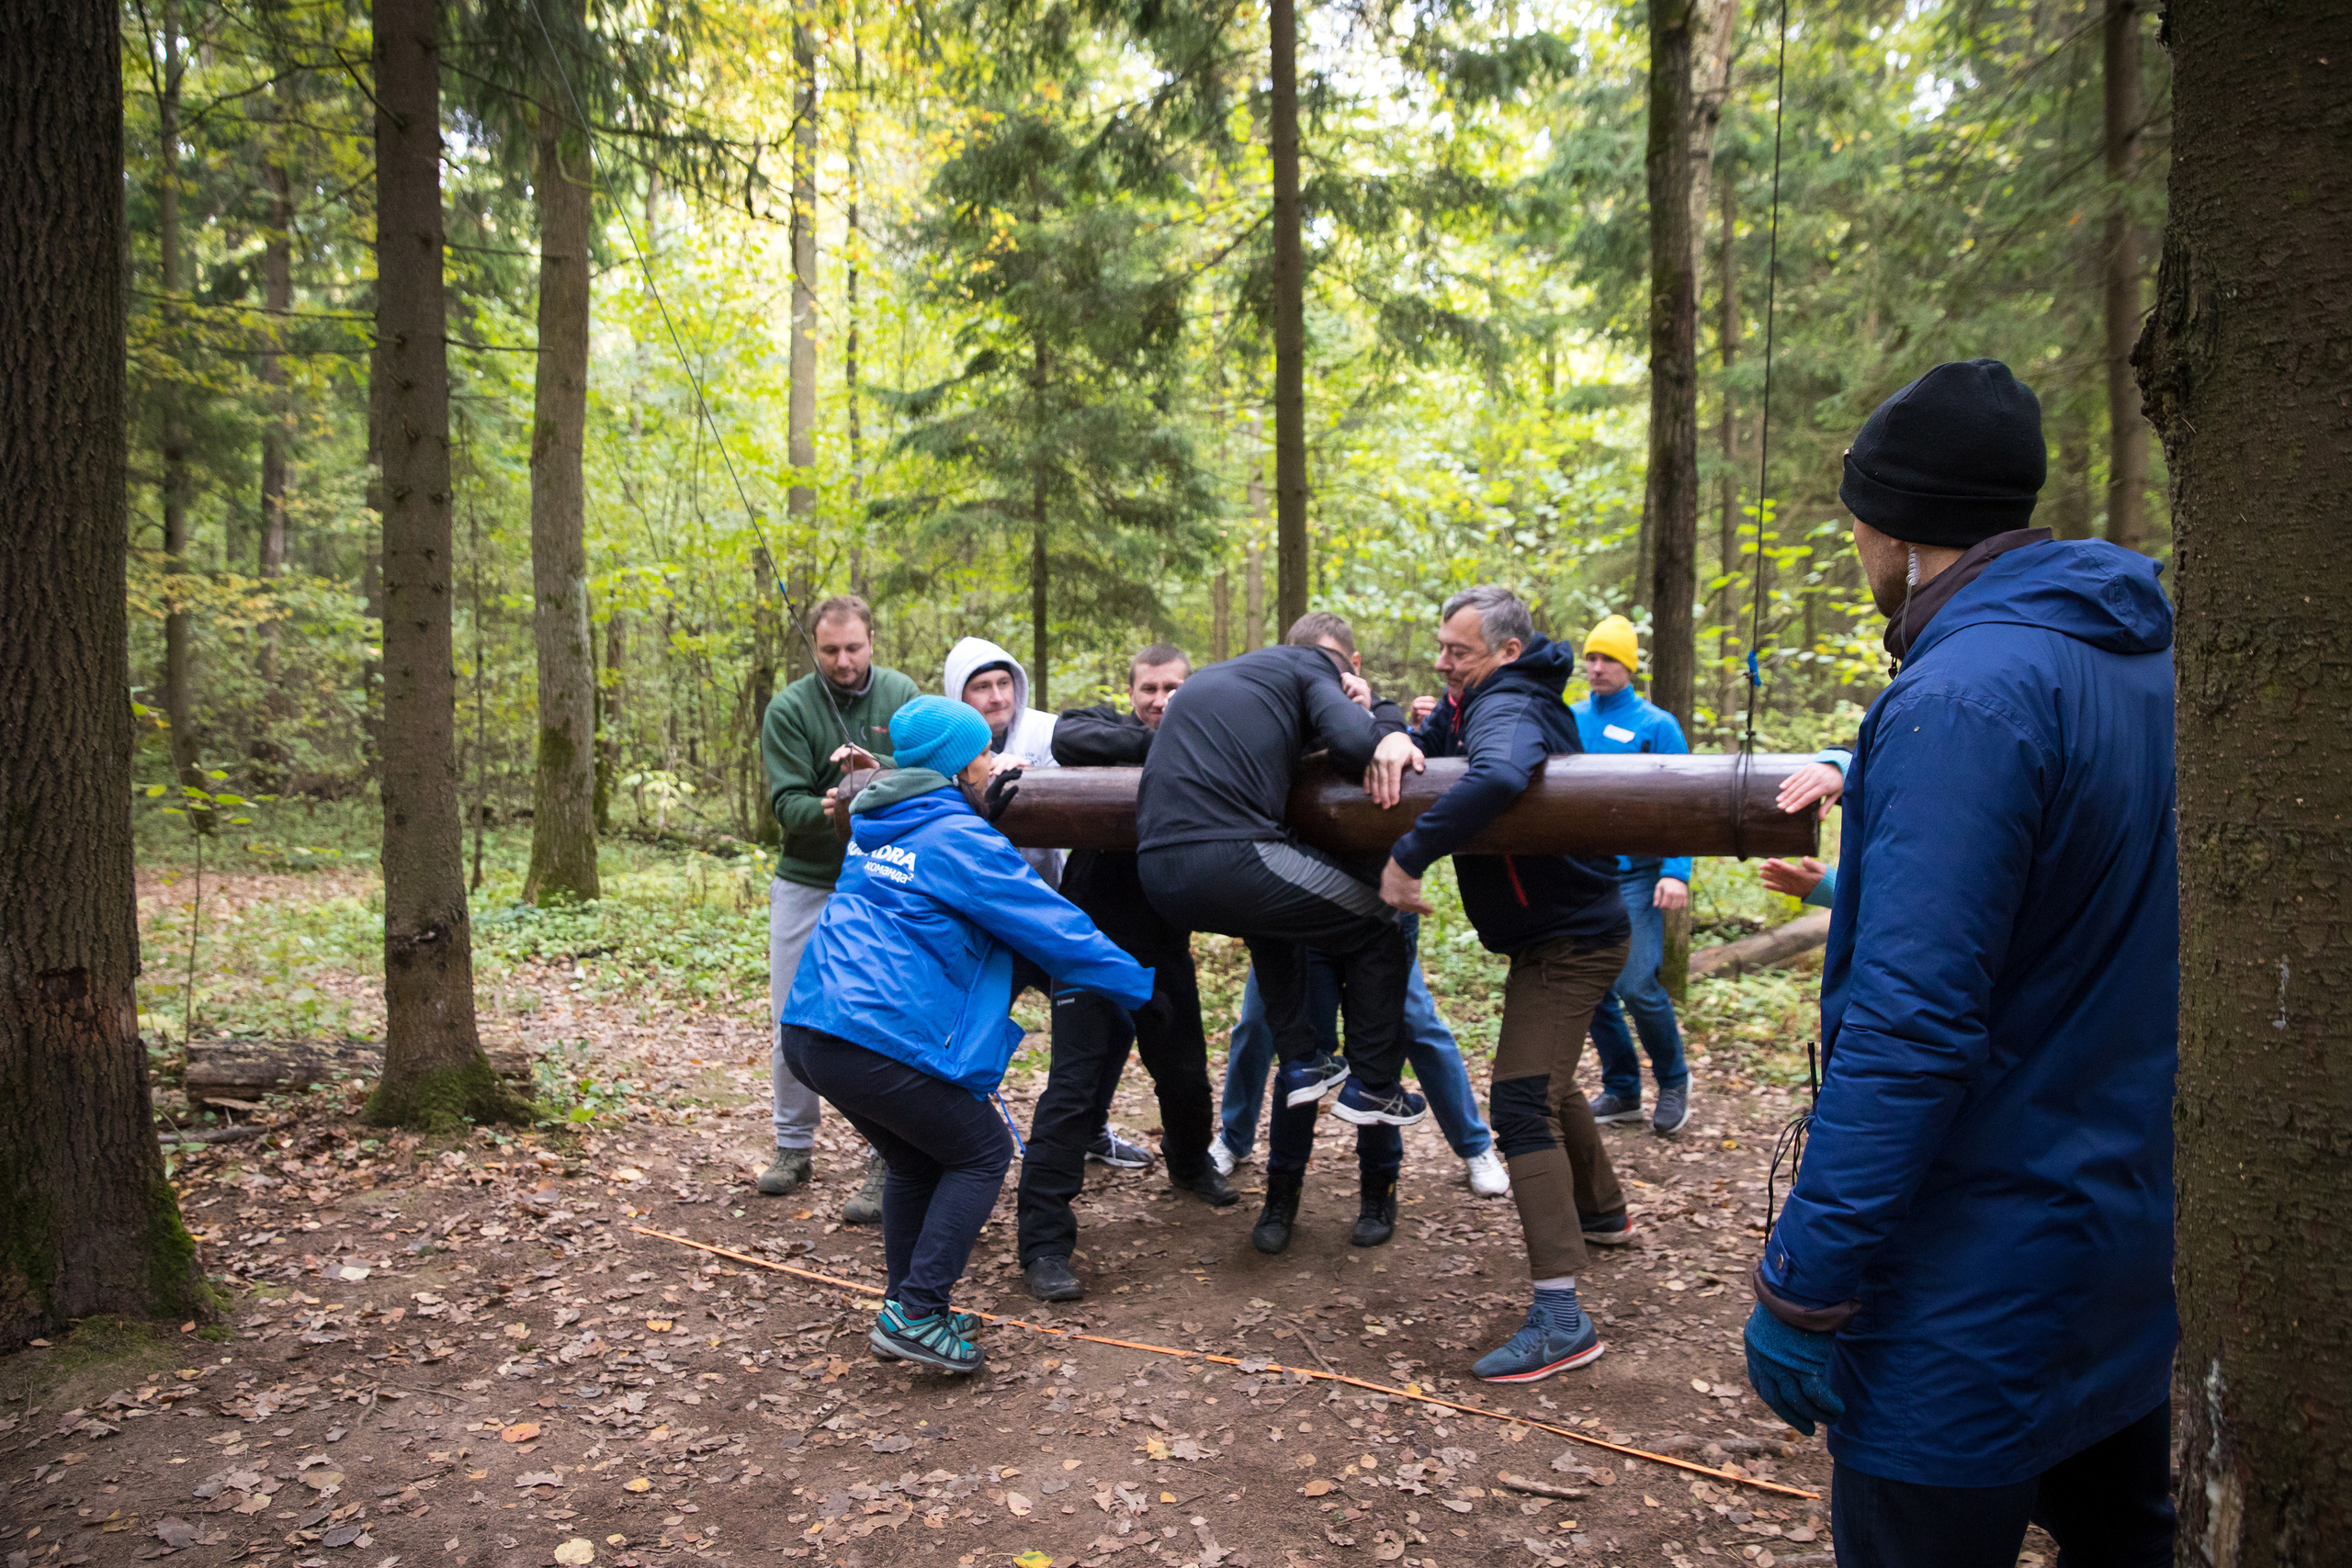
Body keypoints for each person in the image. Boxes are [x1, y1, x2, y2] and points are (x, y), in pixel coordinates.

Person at [1742, 359, 2177, 1563]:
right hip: (2128, 1250)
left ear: (1902, 525)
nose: (1857, 541)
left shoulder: (1965, 697)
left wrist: (1805, 1281)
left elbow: (1912, 1029)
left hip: (1974, 1288)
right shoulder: (2144, 656)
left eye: (1859, 516)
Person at [779, 696, 1155, 1373]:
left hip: (814, 1031)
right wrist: (1141, 988)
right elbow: (1052, 925)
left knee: (919, 1159)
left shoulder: (882, 819)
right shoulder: (959, 838)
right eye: (983, 754)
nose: (994, 762)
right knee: (981, 1150)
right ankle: (919, 1311)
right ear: (956, 769)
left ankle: (907, 1306)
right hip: (868, 1035)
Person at [1380, 585, 1634, 1381]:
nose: (1444, 661)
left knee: (1522, 1099)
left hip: (1574, 937)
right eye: (1443, 647)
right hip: (1559, 931)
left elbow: (1497, 775)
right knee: (1551, 1089)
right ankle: (1602, 1214)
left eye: (1459, 651)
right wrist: (1398, 729)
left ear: (1506, 653)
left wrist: (1409, 853)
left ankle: (1562, 1316)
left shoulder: (1511, 706)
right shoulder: (1480, 698)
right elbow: (1435, 737)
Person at [1137, 613, 1430, 1256]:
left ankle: (1377, 1185)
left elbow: (1366, 738)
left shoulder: (1247, 688)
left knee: (1348, 1031)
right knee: (1313, 1044)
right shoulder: (1296, 680)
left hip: (1201, 875)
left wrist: (1387, 723)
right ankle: (1289, 1185)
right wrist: (1362, 723)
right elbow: (1354, 745)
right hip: (1266, 876)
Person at [1212, 621, 1507, 1201]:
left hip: (1372, 905)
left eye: (1333, 664)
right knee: (1257, 1025)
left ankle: (1475, 1146)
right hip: (1296, 905)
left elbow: (1412, 750)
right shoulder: (1276, 718)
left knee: (1415, 1024)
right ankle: (1233, 1138)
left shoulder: (1380, 713)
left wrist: (1384, 722)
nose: (1321, 675)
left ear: (1355, 662)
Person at [1016, 645, 1234, 1303]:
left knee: (1186, 1075)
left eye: (1174, 688)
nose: (1161, 698)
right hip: (1089, 942)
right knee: (1074, 1087)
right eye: (1150, 687)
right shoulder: (1106, 732)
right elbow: (1067, 734)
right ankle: (1044, 1243)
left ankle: (1191, 1164)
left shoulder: (1212, 742)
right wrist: (1157, 739)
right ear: (1132, 689)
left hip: (1164, 944)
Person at [943, 635, 1155, 1172]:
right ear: (958, 697)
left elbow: (1104, 756)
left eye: (1002, 684)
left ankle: (1090, 1127)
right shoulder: (945, 744)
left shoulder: (1046, 732)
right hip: (975, 923)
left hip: (1040, 911)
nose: (996, 697)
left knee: (1113, 1017)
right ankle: (917, 1151)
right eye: (981, 688)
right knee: (962, 1031)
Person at [755, 595, 919, 1223]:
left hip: (884, 879)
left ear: (872, 641)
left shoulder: (902, 692)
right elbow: (785, 802)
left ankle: (886, 1153)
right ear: (814, 649)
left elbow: (931, 770)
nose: (844, 661)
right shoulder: (792, 708)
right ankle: (793, 1146)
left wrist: (878, 774)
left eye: (854, 648)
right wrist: (832, 805)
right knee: (793, 1015)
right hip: (809, 876)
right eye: (830, 650)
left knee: (883, 1016)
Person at [1569, 615, 1695, 1136]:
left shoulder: (1656, 725)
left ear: (1629, 666)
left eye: (1608, 660)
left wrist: (1677, 871)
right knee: (1591, 988)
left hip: (1640, 876)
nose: (1596, 668)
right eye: (1591, 658)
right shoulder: (1569, 717)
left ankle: (1673, 1081)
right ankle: (1622, 1090)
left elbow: (1687, 803)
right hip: (1581, 874)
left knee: (1638, 983)